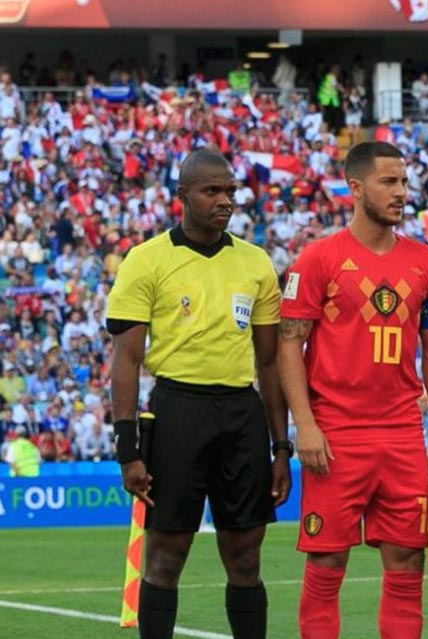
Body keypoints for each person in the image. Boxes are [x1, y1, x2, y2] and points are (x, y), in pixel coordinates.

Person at [107, 148, 291, 639]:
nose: (225, 200)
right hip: (176, 411)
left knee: (245, 557)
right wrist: (128, 449)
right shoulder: (147, 260)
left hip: (240, 412)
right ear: (183, 196)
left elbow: (269, 363)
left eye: (230, 191)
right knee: (166, 556)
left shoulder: (255, 262)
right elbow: (126, 360)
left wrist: (282, 446)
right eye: (212, 191)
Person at [278, 141, 428, 639]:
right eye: (388, 182)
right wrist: (305, 426)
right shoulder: (317, 260)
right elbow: (289, 346)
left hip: (401, 434)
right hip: (335, 434)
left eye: (403, 181)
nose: (401, 192)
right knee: (327, 563)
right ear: (355, 189)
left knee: (406, 564)